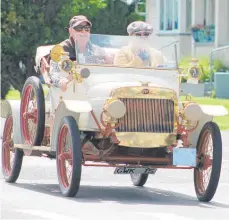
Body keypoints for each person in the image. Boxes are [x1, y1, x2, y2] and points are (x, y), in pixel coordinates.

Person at [49, 15, 109, 91]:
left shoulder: (98, 51)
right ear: (70, 31)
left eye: (87, 29)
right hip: (70, 90)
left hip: (94, 88)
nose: (83, 32)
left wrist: (109, 62)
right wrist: (60, 81)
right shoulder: (60, 50)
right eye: (79, 28)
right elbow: (54, 71)